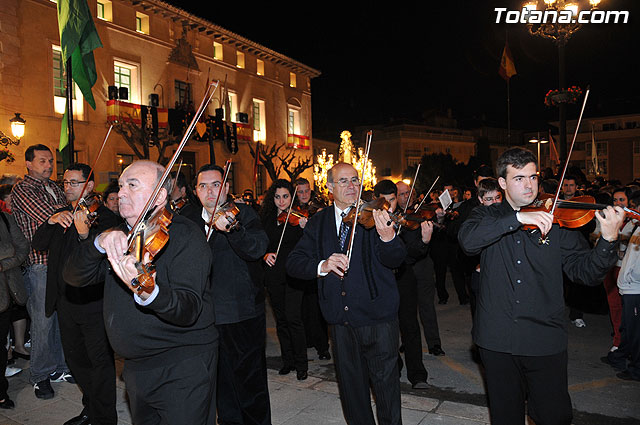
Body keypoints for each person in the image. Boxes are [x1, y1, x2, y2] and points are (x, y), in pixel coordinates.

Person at [458, 147, 624, 425]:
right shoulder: (486, 216)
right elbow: (467, 241)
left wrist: (607, 241)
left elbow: (586, 273)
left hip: (544, 338)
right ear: (502, 183)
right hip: (497, 339)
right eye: (519, 178)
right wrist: (517, 219)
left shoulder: (557, 220)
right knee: (505, 416)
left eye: (533, 177)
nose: (529, 185)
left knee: (555, 416)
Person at [63, 160, 218, 425]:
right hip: (135, 367)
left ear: (159, 195)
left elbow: (188, 308)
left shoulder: (185, 235)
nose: (121, 192)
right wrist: (99, 242)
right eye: (121, 186)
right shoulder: (121, 235)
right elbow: (73, 276)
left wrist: (148, 291)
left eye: (132, 186)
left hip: (182, 365)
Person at [287, 162, 406, 425]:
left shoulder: (374, 216)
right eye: (343, 181)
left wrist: (388, 237)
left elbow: (396, 258)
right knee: (352, 394)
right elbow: (294, 262)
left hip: (378, 319)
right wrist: (322, 265)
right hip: (340, 321)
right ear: (329, 187)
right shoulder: (318, 222)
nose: (352, 186)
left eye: (355, 180)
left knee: (387, 391)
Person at [184, 163, 272, 425]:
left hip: (241, 313)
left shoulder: (244, 214)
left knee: (250, 382)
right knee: (218, 381)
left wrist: (233, 230)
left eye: (216, 185)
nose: (210, 191)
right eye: (203, 186)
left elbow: (257, 248)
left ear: (226, 188)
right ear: (195, 191)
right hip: (204, 316)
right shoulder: (188, 220)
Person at [32, 163, 119, 425]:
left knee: (100, 363)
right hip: (65, 301)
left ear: (89, 185)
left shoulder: (105, 218)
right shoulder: (61, 214)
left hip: (94, 303)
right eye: (65, 183)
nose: (67, 188)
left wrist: (84, 235)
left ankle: (104, 418)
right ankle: (90, 409)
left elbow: (101, 258)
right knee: (76, 360)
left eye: (73, 183)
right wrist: (50, 221)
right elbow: (38, 244)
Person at [11, 144, 71, 399]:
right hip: (38, 264)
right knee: (43, 322)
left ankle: (59, 367)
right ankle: (39, 375)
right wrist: (68, 212)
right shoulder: (22, 189)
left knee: (59, 319)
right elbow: (54, 215)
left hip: (59, 263)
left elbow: (68, 213)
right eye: (43, 161)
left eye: (51, 161)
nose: (48, 165)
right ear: (28, 163)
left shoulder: (55, 187)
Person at [374, 180, 433, 389]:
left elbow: (412, 254)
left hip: (403, 277)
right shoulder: (370, 221)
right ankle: (394, 368)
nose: (390, 206)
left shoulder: (405, 220)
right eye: (385, 201)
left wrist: (424, 242)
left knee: (410, 326)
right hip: (381, 281)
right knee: (387, 329)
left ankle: (418, 375)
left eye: (392, 200)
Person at [261, 179, 309, 380]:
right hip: (274, 273)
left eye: (286, 196)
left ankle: (301, 365)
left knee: (293, 318)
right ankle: (287, 361)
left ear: (292, 196)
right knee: (281, 320)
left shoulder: (299, 218)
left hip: (293, 273)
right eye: (278, 197)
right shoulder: (266, 218)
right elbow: (261, 243)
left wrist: (307, 228)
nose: (282, 202)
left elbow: (309, 245)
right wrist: (265, 254)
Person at [396, 181, 445, 357]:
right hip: (403, 267)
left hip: (423, 264)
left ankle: (434, 343)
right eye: (401, 194)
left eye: (408, 193)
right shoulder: (394, 214)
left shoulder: (422, 211)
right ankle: (407, 341)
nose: (406, 197)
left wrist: (438, 218)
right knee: (405, 309)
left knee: (427, 306)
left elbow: (438, 231)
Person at [294, 178, 330, 361]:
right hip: (301, 266)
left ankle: (323, 346)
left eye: (306, 191)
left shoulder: (319, 208)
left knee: (317, 307)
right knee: (302, 309)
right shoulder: (292, 211)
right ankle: (307, 340)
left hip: (317, 264)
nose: (304, 195)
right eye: (300, 192)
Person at [0, 204, 29, 409]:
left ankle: (0, 392)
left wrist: (3, 264)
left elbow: (22, 248)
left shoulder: (5, 219)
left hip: (5, 294)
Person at [604, 225, 640, 381]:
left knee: (635, 332)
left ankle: (637, 369)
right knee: (627, 327)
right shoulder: (637, 228)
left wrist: (631, 277)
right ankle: (618, 356)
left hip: (635, 288)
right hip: (628, 287)